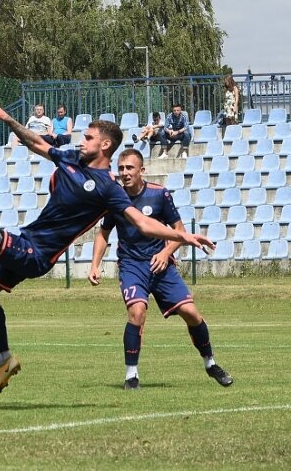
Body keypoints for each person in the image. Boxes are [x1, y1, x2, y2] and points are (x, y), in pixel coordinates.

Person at [0, 100, 214, 399]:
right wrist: (6, 118)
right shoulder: (71, 159)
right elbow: (36, 142)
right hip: (27, 239)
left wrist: (182, 238)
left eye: (87, 137)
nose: (81, 141)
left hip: (37, 254)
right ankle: (3, 360)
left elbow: (141, 224)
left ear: (105, 144)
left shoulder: (109, 188)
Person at [87, 149, 233, 390]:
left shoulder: (159, 195)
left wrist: (166, 253)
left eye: (130, 168)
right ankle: (131, 375)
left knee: (192, 314)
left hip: (161, 266)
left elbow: (179, 230)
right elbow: (103, 233)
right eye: (121, 168)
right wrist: (95, 265)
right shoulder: (114, 199)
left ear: (141, 170)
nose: (125, 173)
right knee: (137, 312)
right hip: (132, 266)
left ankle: (211, 364)